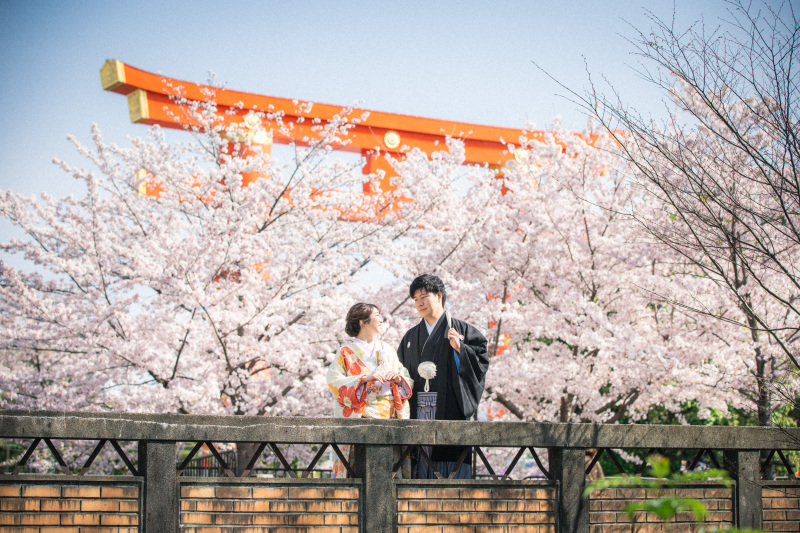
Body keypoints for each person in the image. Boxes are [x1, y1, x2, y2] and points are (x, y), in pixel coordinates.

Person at [397, 274, 489, 479]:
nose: (419, 303)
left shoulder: (462, 330)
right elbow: (400, 370)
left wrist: (461, 349)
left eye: (424, 297)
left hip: (449, 408)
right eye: (415, 299)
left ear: (439, 296)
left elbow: (480, 362)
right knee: (418, 463)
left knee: (450, 471)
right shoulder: (410, 337)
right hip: (418, 409)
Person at [326, 302, 413, 478]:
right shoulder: (346, 351)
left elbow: (405, 376)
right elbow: (334, 381)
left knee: (389, 473)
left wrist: (398, 380)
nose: (381, 320)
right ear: (363, 322)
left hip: (389, 418)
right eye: (377, 316)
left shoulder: (388, 349)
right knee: (359, 472)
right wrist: (363, 379)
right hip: (361, 418)